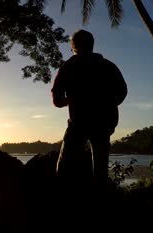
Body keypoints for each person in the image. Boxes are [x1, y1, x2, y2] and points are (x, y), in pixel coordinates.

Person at [52, 29, 127, 184]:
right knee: (100, 168)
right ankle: (99, 201)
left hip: (78, 124)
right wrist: (107, 105)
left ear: (74, 46)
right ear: (92, 45)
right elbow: (122, 92)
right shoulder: (108, 66)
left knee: (65, 166)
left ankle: (61, 199)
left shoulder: (69, 66)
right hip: (104, 123)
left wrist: (72, 100)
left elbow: (57, 99)